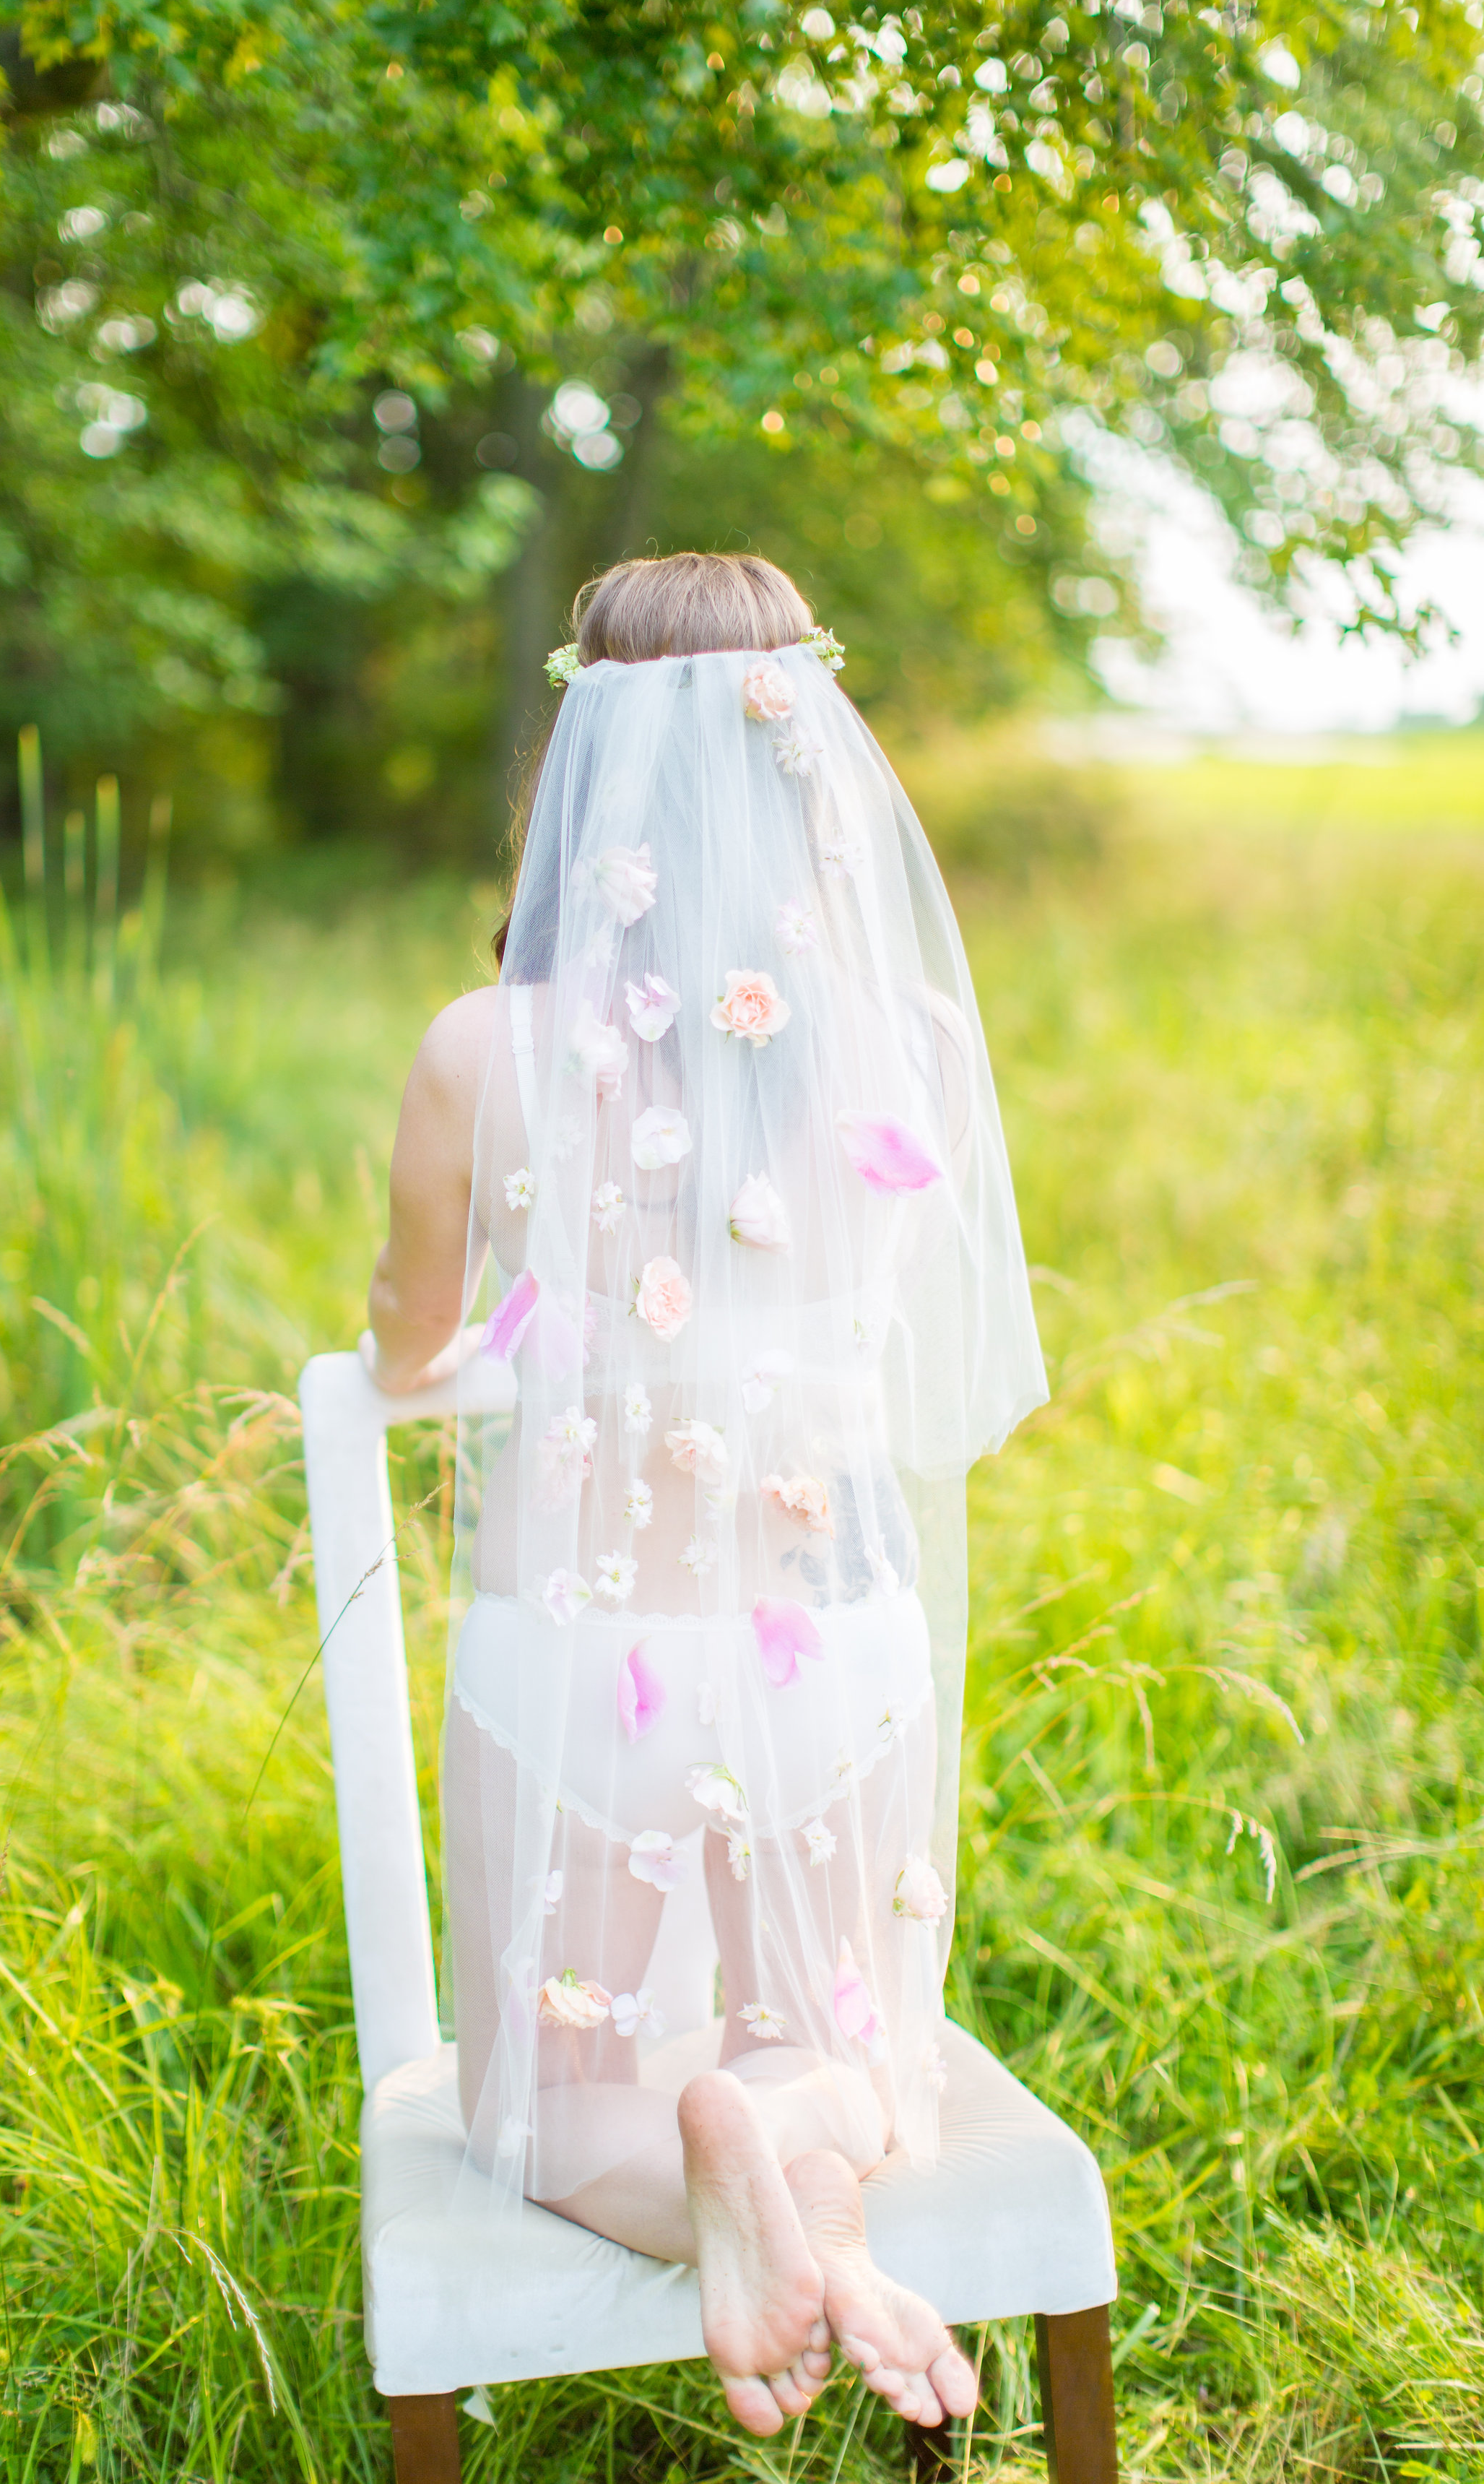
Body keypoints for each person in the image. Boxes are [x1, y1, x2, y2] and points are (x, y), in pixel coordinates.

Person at [365, 552, 1046, 2439]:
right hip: (832, 1650)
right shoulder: (906, 1034)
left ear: (581, 771)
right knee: (866, 2070)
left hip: (587, 1678)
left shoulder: (478, 1052)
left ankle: (715, 2183)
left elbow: (410, 1353)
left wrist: (486, 1326)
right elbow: (916, 1341)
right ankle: (816, 2167)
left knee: (550, 2113)